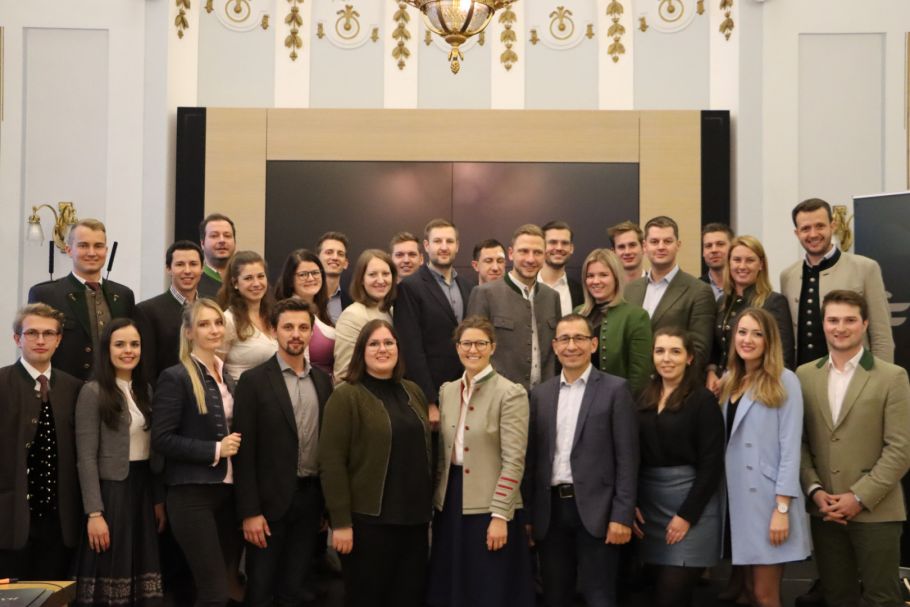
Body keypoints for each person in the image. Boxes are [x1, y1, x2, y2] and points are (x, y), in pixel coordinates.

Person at [798, 290, 910, 607]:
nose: (840, 328)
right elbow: (799, 442)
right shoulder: (804, 376)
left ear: (864, 324)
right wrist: (814, 490)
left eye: (849, 320)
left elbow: (901, 450)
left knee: (883, 599)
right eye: (833, 320)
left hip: (877, 511)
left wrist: (858, 497)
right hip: (825, 511)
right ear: (823, 324)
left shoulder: (892, 377)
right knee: (837, 597)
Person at [525, 314, 639, 607]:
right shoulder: (540, 395)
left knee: (599, 596)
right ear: (554, 346)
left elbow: (628, 459)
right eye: (564, 339)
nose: (571, 346)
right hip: (550, 512)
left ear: (593, 344)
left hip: (598, 512)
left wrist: (621, 516)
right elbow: (532, 460)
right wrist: (529, 516)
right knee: (555, 596)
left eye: (579, 338)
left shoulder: (616, 390)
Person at [319, 320, 432, 607]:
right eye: (374, 344)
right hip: (368, 524)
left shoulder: (413, 391)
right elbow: (331, 463)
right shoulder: (346, 396)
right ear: (361, 351)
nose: (383, 349)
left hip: (415, 521)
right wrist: (341, 523)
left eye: (389, 343)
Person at [232, 298, 334, 607]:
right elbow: (244, 453)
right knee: (260, 591)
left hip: (310, 501)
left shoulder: (323, 381)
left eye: (303, 327)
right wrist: (250, 512)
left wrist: (325, 507)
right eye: (288, 327)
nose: (296, 334)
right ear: (274, 330)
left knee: (294, 590)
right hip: (267, 506)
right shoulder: (253, 381)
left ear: (312, 332)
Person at [427, 316, 534, 607]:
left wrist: (500, 515)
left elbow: (514, 461)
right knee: (451, 585)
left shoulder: (510, 393)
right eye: (466, 343)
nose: (472, 350)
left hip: (491, 505)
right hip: (450, 501)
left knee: (487, 586)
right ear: (457, 347)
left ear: (493, 347)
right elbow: (443, 455)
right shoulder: (447, 391)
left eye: (480, 343)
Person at [151, 299, 243, 607]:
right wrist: (215, 449)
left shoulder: (226, 376)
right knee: (214, 592)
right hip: (191, 495)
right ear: (189, 332)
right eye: (204, 324)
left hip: (227, 494)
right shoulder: (175, 377)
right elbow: (161, 439)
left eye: (218, 323)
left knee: (219, 590)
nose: (214, 329)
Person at [721, 308, 811, 607]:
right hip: (735, 501)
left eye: (757, 334)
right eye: (742, 332)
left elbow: (790, 448)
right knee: (748, 590)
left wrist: (782, 508)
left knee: (764, 594)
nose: (747, 340)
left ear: (769, 340)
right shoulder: (729, 380)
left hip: (767, 501)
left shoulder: (785, 380)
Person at [74, 318, 165, 606]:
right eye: (120, 344)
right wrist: (94, 513)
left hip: (143, 488)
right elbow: (86, 458)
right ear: (107, 349)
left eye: (134, 344)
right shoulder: (93, 392)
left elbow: (152, 450)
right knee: (112, 567)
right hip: (112, 492)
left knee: (142, 568)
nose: (128, 351)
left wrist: (157, 499)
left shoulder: (145, 389)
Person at [632, 328, 724, 607]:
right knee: (650, 593)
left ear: (690, 358)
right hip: (649, 507)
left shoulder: (703, 400)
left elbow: (712, 465)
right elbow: (632, 455)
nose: (666, 358)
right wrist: (630, 502)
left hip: (692, 507)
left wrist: (686, 515)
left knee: (671, 595)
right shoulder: (641, 396)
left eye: (675, 352)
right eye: (660, 351)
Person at [0, 304, 83, 579]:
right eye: (32, 333)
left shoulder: (74, 388)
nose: (40, 340)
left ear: (58, 340)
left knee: (54, 594)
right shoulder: (2, 383)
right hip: (10, 519)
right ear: (17, 338)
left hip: (60, 523)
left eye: (48, 334)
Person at [781, 197, 894, 366]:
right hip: (802, 376)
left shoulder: (865, 268)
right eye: (805, 228)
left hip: (855, 374)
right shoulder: (787, 276)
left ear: (832, 226)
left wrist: (881, 377)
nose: (813, 234)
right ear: (797, 233)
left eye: (820, 226)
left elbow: (881, 336)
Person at [28, 218, 136, 381]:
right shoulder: (45, 294)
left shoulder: (124, 295)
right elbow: (34, 349)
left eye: (98, 246)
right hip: (64, 388)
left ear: (106, 250)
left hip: (114, 388)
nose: (91, 253)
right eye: (83, 245)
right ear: (69, 250)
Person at [394, 219, 473, 428]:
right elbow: (411, 348)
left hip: (466, 390)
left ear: (458, 246)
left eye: (449, 241)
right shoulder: (410, 287)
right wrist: (428, 401)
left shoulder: (468, 287)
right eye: (438, 241)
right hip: (432, 394)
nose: (444, 247)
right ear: (427, 246)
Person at [467, 224, 562, 392]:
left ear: (545, 255)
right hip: (499, 396)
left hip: (545, 396)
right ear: (511, 254)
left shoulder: (552, 296)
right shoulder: (485, 294)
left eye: (537, 252)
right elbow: (472, 353)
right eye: (524, 251)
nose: (530, 259)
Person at [624, 216, 715, 375]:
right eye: (654, 242)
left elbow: (699, 351)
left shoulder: (699, 291)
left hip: (675, 384)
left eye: (667, 241)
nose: (661, 247)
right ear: (644, 246)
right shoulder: (630, 290)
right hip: (632, 383)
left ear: (678, 245)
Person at [707, 235, 795, 394]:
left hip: (757, 388)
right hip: (720, 387)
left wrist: (732, 379)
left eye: (749, 260)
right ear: (729, 263)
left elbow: (783, 355)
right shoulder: (722, 302)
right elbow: (717, 347)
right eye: (737, 260)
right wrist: (711, 372)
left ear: (761, 264)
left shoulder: (773, 301)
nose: (742, 266)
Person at [575, 248, 652, 395]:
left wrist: (625, 404)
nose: (595, 281)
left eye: (603, 275)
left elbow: (640, 376)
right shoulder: (577, 313)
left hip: (617, 400)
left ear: (616, 277)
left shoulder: (636, 316)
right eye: (590, 276)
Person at [136, 240, 204, 382]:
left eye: (193, 264)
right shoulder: (147, 311)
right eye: (180, 264)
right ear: (168, 269)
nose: (187, 271)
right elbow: (147, 368)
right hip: (167, 391)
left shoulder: (209, 308)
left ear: (202, 268)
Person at [332, 249, 396, 381]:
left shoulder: (392, 311)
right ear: (361, 279)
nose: (381, 280)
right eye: (372, 274)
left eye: (385, 274)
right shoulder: (352, 315)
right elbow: (344, 375)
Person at [273, 249, 336, 376]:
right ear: (290, 280)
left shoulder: (320, 309)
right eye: (303, 274)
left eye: (315, 273)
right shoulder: (288, 314)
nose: (311, 278)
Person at [216, 251, 277, 382]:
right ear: (235, 283)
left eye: (261, 276)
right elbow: (215, 370)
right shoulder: (228, 320)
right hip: (240, 392)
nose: (256, 283)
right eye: (248, 278)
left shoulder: (273, 316)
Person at [539, 221, 584, 316]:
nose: (559, 248)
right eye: (553, 242)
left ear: (571, 248)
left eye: (564, 243)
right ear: (541, 246)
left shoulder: (581, 292)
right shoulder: (525, 286)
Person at [316, 231, 352, 324]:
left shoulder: (351, 303)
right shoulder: (306, 296)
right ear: (316, 260)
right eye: (329, 252)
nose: (335, 257)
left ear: (346, 263)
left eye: (340, 254)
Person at [197, 214, 236, 299]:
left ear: (235, 242)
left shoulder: (244, 279)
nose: (222, 240)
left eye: (227, 236)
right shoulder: (193, 283)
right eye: (214, 236)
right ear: (202, 243)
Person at [700, 223, 733, 300]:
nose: (714, 250)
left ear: (732, 249)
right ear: (703, 252)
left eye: (720, 244)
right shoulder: (694, 289)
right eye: (708, 246)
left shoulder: (742, 285)